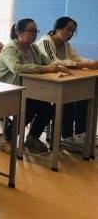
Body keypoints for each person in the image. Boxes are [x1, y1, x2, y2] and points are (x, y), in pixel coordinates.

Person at [0, 18, 70, 154]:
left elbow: (48, 62)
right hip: (5, 89)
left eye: (36, 31)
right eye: (31, 31)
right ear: (19, 32)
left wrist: (59, 66)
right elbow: (16, 68)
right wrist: (46, 69)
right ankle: (7, 140)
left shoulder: (33, 48)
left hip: (25, 89)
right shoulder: (10, 48)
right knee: (29, 105)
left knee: (48, 108)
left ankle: (32, 137)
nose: (34, 34)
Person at [37, 16, 98, 146]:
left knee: (84, 96)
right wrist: (85, 65)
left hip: (61, 81)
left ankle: (81, 133)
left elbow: (77, 58)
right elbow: (55, 62)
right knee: (69, 98)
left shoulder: (66, 45)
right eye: (68, 29)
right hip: (44, 84)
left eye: (73, 31)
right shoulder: (45, 42)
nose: (70, 34)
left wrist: (91, 63)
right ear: (57, 28)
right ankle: (67, 135)